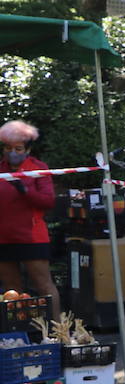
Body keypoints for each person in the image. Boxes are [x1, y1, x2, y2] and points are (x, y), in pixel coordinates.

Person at [0, 121, 59, 320]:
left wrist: (25, 191)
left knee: (44, 285)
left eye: (18, 149)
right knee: (11, 291)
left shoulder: (38, 168)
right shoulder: (0, 168)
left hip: (32, 237)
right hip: (3, 237)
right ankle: (19, 335)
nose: (12, 152)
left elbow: (48, 201)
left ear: (28, 149)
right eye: (8, 148)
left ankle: (58, 332)